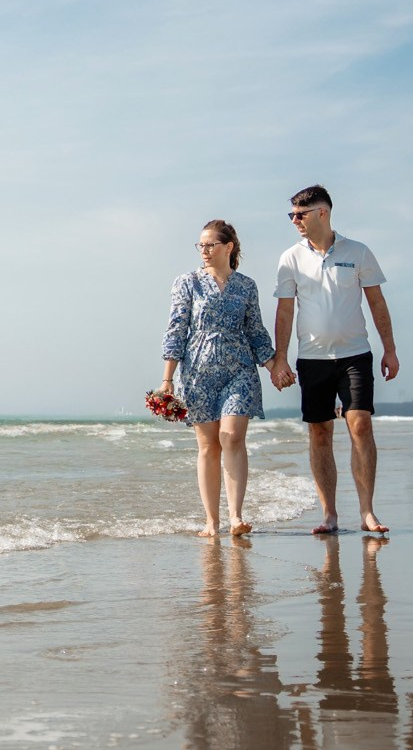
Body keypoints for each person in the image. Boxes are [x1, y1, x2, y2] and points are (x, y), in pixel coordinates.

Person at [266, 185, 398, 535]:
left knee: (360, 424)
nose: (295, 220)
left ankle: (367, 511)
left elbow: (377, 303)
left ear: (322, 213)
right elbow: (284, 311)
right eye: (291, 214)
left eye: (300, 214)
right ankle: (330, 514)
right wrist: (281, 359)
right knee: (320, 432)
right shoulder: (290, 258)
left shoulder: (358, 252)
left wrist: (390, 348)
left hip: (355, 354)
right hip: (312, 359)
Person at [161, 219, 275, 537]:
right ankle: (212, 521)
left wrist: (273, 365)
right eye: (201, 245)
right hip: (197, 374)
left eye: (211, 245)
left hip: (239, 372)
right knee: (209, 447)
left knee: (232, 437)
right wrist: (167, 380)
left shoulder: (247, 286)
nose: (205, 251)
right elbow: (176, 330)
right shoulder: (187, 283)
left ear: (228, 247)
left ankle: (236, 516)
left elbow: (255, 331)